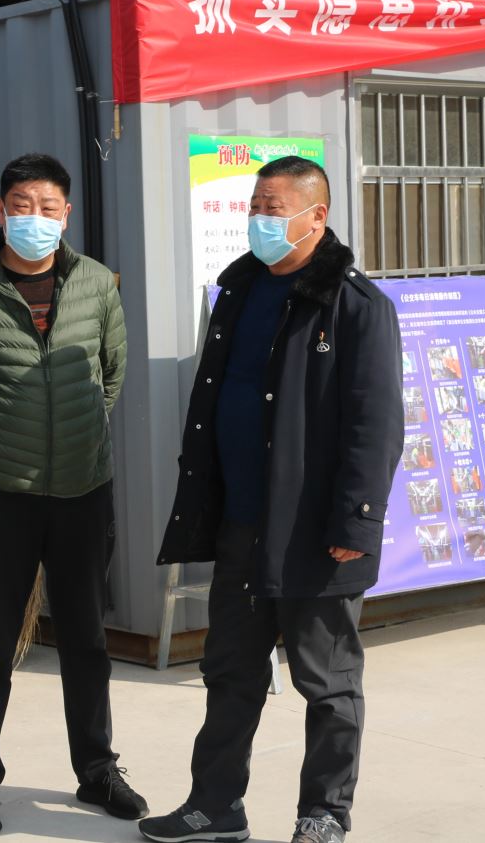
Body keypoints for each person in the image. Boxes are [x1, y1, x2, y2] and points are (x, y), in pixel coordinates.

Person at [139, 157, 403, 843]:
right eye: (254, 205)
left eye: (273, 207)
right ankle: (214, 807)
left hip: (316, 533)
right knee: (230, 671)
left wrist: (356, 525)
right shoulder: (240, 290)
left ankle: (324, 815)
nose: (259, 218)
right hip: (241, 524)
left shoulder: (355, 305)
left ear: (317, 216)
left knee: (328, 681)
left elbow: (375, 426)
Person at [0, 153, 141, 838]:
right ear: (0, 210)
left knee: (87, 640)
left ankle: (97, 769)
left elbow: (110, 374)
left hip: (81, 491)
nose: (33, 218)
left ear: (66, 214)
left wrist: (74, 443)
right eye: (21, 205)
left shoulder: (96, 283)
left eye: (46, 207)